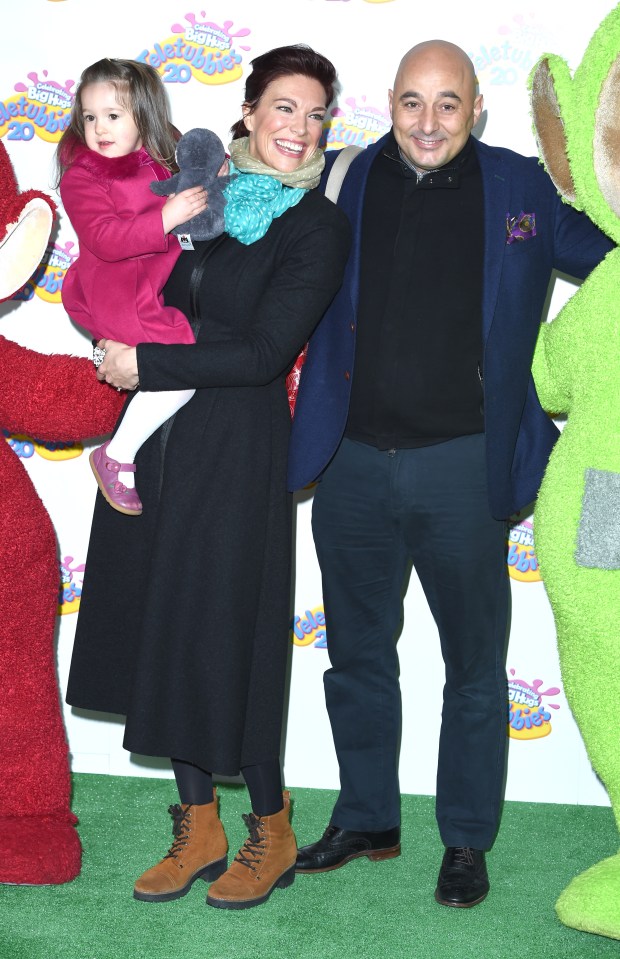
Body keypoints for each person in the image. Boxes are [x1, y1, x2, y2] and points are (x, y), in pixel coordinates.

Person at [287, 39, 613, 907]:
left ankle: (466, 839)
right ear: (388, 104)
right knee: (356, 657)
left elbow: (607, 247)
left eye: (448, 104)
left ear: (477, 109)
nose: (428, 123)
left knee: (474, 666)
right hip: (350, 465)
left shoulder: (522, 188)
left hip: (464, 470)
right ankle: (367, 817)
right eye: (411, 103)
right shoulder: (345, 179)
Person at [65, 44, 351, 910]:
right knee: (164, 614)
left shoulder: (318, 226)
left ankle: (272, 825)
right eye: (283, 107)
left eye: (314, 113)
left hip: (236, 443)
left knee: (234, 625)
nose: (297, 128)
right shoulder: (203, 194)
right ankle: (200, 824)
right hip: (156, 438)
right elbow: (131, 272)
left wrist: (142, 363)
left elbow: (266, 350)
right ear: (250, 111)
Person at [57, 58, 211, 516]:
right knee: (180, 366)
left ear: (144, 115)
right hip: (117, 292)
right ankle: (116, 455)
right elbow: (104, 238)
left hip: (143, 289)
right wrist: (167, 216)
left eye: (113, 115)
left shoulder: (165, 154)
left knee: (175, 370)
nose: (99, 128)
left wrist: (214, 178)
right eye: (89, 117)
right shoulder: (82, 176)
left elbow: (200, 170)